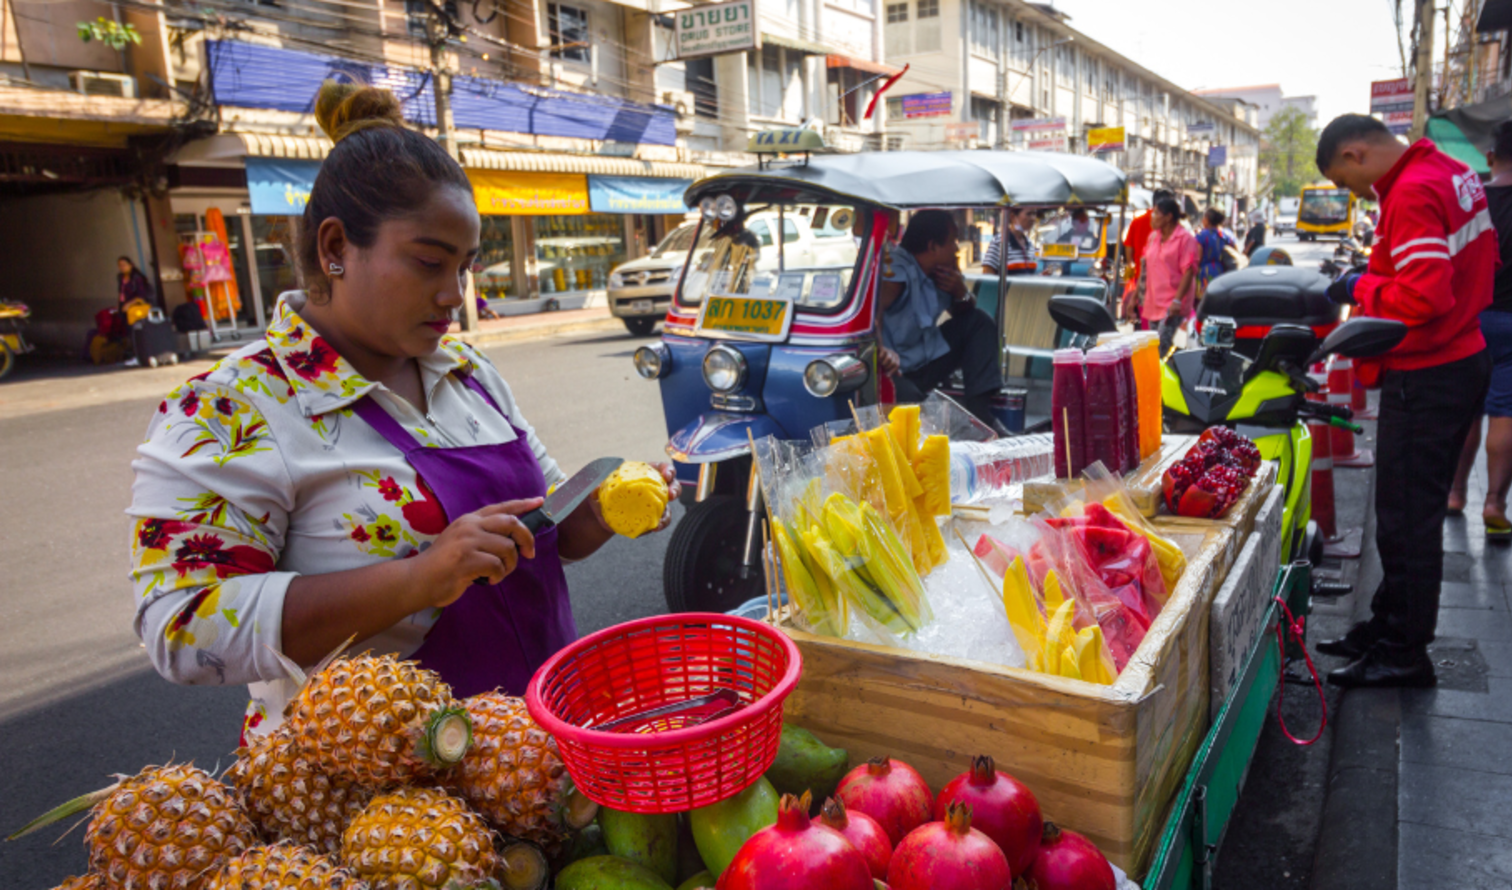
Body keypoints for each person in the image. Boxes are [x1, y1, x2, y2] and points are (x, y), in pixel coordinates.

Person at [127, 82, 679, 739]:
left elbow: (545, 532)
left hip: (535, 750)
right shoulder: (231, 406)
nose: (453, 295)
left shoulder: (468, 373)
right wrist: (421, 578)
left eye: (466, 268)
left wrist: (603, 508)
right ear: (336, 248)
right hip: (379, 785)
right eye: (428, 263)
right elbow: (182, 629)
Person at [1312, 114, 1494, 688]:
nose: (1354, 193)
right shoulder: (1450, 171)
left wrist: (1358, 286)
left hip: (1430, 371)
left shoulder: (1412, 191)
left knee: (1405, 520)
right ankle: (1389, 623)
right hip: (1461, 353)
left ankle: (1405, 651)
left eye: (1344, 181)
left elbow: (1423, 295)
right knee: (1404, 512)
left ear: (1355, 154)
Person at [878, 210, 1004, 430]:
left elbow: (964, 311)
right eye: (953, 241)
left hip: (926, 358)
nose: (956, 249)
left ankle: (980, 412)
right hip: (896, 370)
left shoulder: (942, 271)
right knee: (916, 414)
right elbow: (872, 316)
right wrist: (882, 350)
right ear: (933, 246)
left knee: (979, 322)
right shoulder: (896, 271)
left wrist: (961, 293)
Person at [1449, 120, 1512, 539]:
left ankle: (1454, 494)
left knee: (1467, 409)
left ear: (1489, 157)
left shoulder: (1472, 201)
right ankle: (1494, 503)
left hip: (1471, 319)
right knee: (1505, 411)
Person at [1139, 196, 1199, 355]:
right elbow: (1145, 267)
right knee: (1153, 347)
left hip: (1172, 303)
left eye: (1156, 213)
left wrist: (1177, 300)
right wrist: (1135, 297)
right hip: (1153, 302)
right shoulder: (1153, 237)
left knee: (1160, 348)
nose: (1152, 217)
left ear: (1168, 217)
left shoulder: (1185, 239)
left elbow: (1189, 271)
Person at [1120, 188, 1175, 320]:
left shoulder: (1138, 221)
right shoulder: (1169, 224)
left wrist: (1131, 264)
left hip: (1142, 276)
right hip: (1163, 278)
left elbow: (1128, 246)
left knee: (1145, 315)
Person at [981, 205, 1037, 276]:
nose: (1033, 218)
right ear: (1013, 217)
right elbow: (987, 274)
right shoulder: (1000, 241)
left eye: (1034, 214)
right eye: (1028, 214)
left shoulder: (1029, 243)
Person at [1195, 208, 1237, 291]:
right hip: (1225, 272)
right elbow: (1235, 253)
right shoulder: (1228, 235)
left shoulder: (1201, 236)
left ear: (1207, 220)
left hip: (1206, 272)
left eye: (1204, 218)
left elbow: (1198, 258)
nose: (1202, 220)